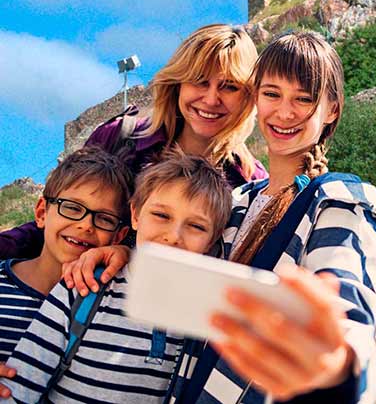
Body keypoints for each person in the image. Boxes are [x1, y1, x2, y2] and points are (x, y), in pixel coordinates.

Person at [65, 31, 376, 404]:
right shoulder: (237, 201)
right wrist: (127, 254)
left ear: (332, 109)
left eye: (303, 99)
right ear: (255, 99)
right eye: (272, 94)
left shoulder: (341, 201)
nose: (284, 112)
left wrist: (337, 366)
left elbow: (348, 313)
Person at [0, 24, 265, 261]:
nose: (211, 99)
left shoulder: (252, 185)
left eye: (229, 87)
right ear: (177, 84)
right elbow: (58, 218)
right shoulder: (119, 139)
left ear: (248, 97)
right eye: (199, 81)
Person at [4, 152, 232, 404]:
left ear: (212, 239)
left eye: (196, 226)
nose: (174, 235)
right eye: (162, 216)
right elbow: (18, 387)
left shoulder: (203, 316)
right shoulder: (83, 287)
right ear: (135, 215)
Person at [0, 147, 132, 364]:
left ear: (118, 236)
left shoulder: (110, 307)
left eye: (105, 219)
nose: (86, 225)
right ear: (42, 213)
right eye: (71, 208)